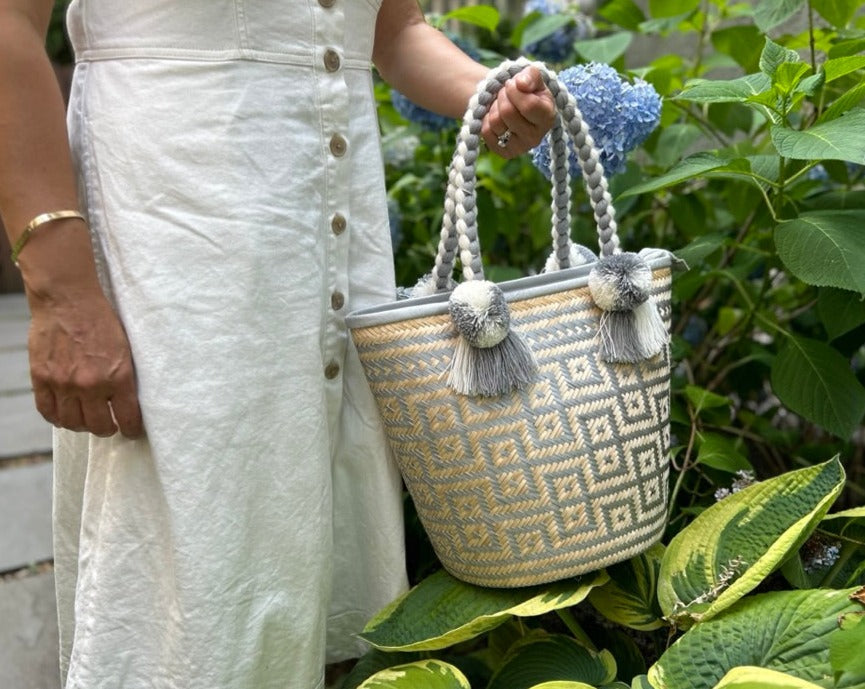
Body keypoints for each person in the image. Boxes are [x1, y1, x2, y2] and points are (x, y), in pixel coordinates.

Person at [0, 1, 556, 687]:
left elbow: (392, 29)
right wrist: (62, 291)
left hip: (338, 264)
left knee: (326, 585)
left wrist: (490, 91)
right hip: (178, 254)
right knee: (187, 594)